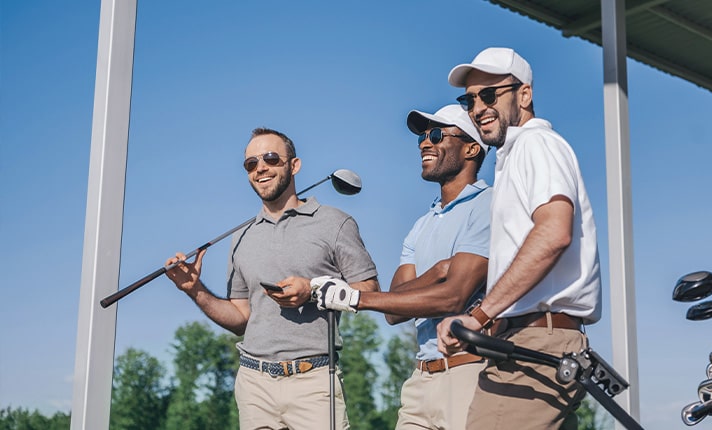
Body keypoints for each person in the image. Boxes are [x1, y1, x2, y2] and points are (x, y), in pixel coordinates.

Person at [163, 127, 379, 430]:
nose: (260, 168)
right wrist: (194, 289)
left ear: (294, 165)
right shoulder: (242, 236)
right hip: (254, 384)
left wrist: (313, 289)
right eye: (251, 164)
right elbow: (240, 318)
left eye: (270, 158)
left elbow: (368, 290)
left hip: (313, 381)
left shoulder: (335, 222)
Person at [435, 47, 602, 430]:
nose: (478, 108)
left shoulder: (535, 144)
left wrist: (479, 315)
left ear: (523, 94)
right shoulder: (514, 155)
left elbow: (554, 232)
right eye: (470, 99)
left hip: (536, 344)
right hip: (530, 340)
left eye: (490, 94)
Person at [314, 105, 491, 429]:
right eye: (423, 136)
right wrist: (437, 271)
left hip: (470, 372)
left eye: (437, 134)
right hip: (421, 379)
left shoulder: (488, 205)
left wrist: (355, 298)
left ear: (471, 148)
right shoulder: (421, 225)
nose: (425, 142)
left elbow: (452, 298)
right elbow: (395, 311)